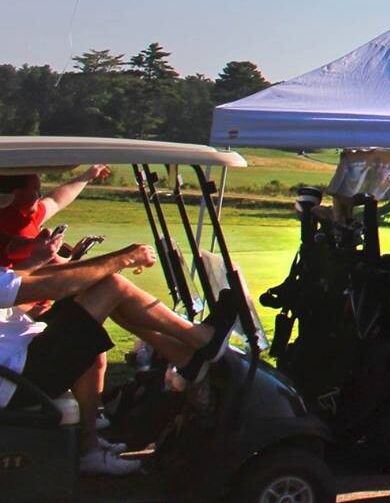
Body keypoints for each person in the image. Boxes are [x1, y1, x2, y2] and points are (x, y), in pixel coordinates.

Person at [1, 231, 240, 475]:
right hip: (17, 379)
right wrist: (123, 259)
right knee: (112, 287)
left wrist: (113, 259)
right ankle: (199, 341)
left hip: (17, 361)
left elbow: (23, 277)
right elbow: (52, 286)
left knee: (98, 291)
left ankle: (188, 355)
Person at [1, 166, 110, 267]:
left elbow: (55, 201)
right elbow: (51, 263)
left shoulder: (26, 214)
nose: (40, 195)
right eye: (35, 189)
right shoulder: (10, 220)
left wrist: (89, 174)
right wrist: (74, 256)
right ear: (16, 193)